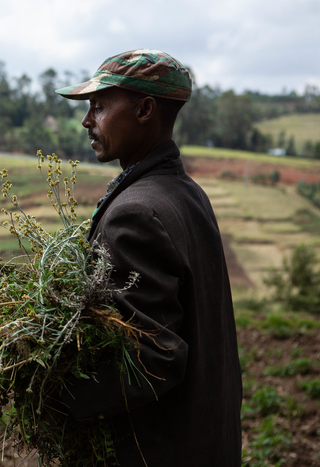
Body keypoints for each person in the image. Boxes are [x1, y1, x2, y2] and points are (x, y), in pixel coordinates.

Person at [54, 49, 242, 466]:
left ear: (144, 109)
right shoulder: (184, 193)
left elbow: (153, 355)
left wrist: (50, 391)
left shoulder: (135, 213)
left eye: (99, 106)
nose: (88, 120)